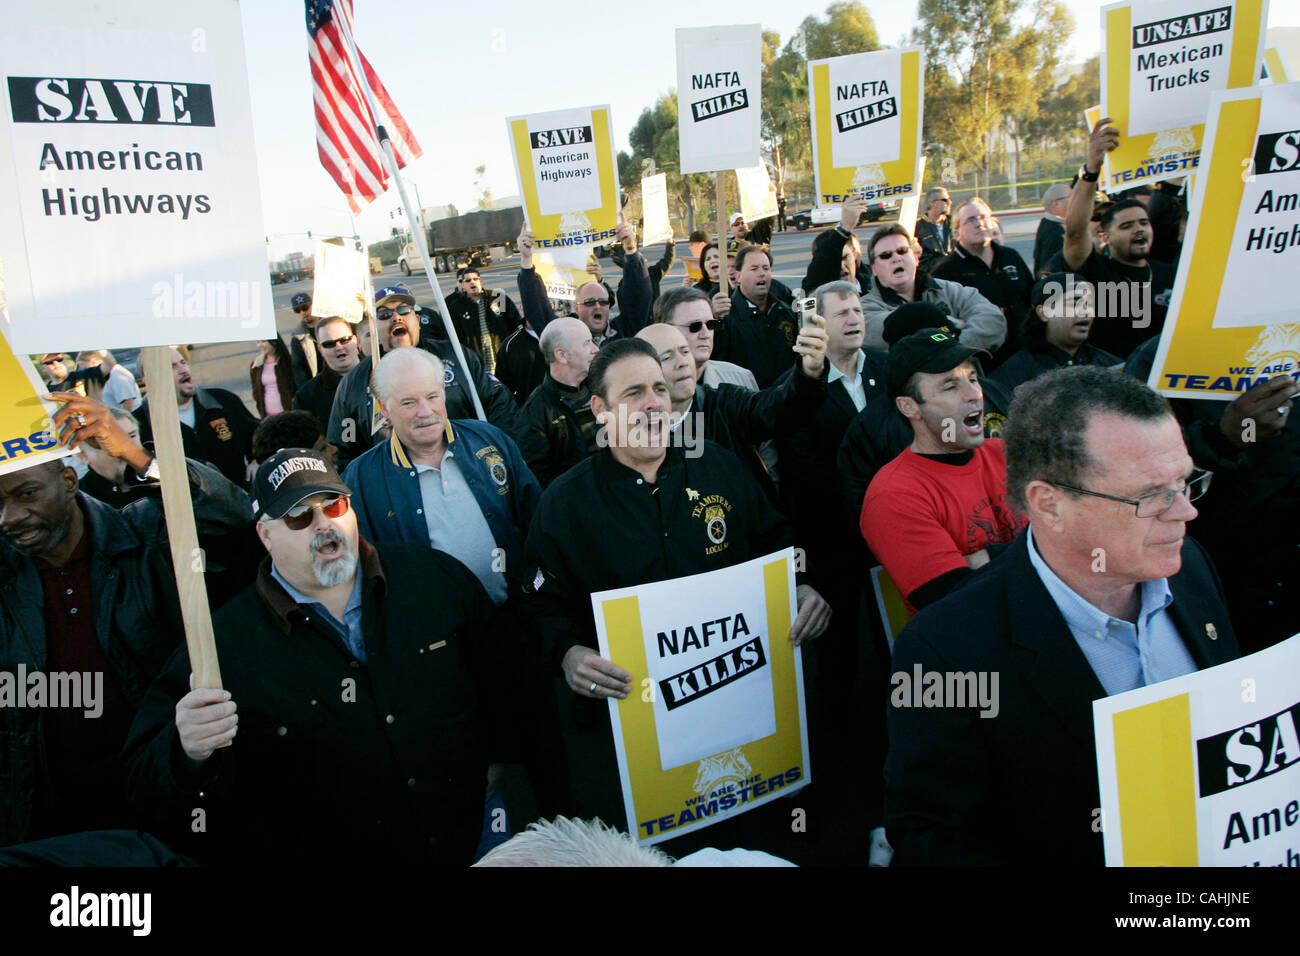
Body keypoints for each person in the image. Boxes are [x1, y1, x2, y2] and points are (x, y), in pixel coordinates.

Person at [885, 366, 1239, 866]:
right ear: (1049, 505)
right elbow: (931, 839)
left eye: (1185, 482)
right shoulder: (947, 648)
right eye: (1151, 496)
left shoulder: (1190, 568)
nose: (1185, 511)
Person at [122, 447, 504, 865]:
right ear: (265, 535)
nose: (324, 524)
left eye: (333, 505)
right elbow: (143, 783)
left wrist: (503, 755)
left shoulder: (431, 578)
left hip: (472, 839)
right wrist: (185, 751)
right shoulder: (224, 646)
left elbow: (507, 675)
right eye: (300, 517)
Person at [523, 338, 830, 856]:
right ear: (599, 410)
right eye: (634, 392)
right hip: (636, 748)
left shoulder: (720, 466)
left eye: (660, 389)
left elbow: (777, 540)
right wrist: (567, 654)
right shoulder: (566, 503)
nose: (652, 403)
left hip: (742, 726)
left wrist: (802, 584)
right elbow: (538, 604)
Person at [0, 394, 250, 847]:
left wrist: (138, 458)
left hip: (159, 794)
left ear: (70, 480)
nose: (10, 517)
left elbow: (238, 519)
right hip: (47, 817)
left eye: (26, 493)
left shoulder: (145, 537)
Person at [340, 349, 565, 816]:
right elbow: (364, 574)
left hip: (518, 628)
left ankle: (559, 825)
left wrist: (541, 598)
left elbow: (537, 523)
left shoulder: (490, 441)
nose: (425, 412)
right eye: (407, 403)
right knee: (478, 768)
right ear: (382, 410)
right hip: (444, 651)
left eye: (432, 396)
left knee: (547, 746)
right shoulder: (362, 478)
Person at [860, 329, 1027, 613]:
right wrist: (1042, 548)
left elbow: (1080, 539)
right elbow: (953, 602)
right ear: (909, 406)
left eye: (973, 379)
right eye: (950, 386)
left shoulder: (1010, 454)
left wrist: (980, 559)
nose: (974, 394)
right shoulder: (893, 495)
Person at [636, 308, 827, 497]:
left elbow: (777, 409)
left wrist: (809, 372)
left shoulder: (725, 404)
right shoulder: (630, 432)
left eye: (685, 351)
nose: (683, 362)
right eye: (667, 357)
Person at [327, 286, 519, 467]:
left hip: (468, 466)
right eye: (384, 314)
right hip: (396, 486)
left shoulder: (456, 356)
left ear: (417, 321)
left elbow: (499, 404)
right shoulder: (354, 383)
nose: (396, 317)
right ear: (374, 329)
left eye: (404, 310)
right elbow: (343, 446)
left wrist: (499, 453)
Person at [1060, 118, 1177, 358]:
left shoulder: (1171, 273)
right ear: (1106, 236)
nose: (1139, 229)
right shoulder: (1096, 272)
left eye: (1144, 223)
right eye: (1126, 226)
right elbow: (1075, 232)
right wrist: (1091, 169)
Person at [858, 223, 1005, 354]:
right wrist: (950, 325)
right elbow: (893, 327)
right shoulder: (864, 309)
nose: (896, 258)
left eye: (902, 250)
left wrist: (955, 347)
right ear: (874, 268)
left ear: (915, 258)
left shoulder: (949, 290)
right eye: (886, 255)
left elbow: (993, 320)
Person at [134, 347, 259, 490]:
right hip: (187, 511)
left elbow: (259, 434)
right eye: (172, 366)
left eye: (183, 362)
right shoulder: (138, 425)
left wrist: (258, 460)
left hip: (239, 503)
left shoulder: (223, 401)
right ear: (149, 379)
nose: (183, 370)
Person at [932, 197, 1032, 369]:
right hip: (983, 365)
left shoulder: (1010, 256)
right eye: (970, 220)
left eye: (983, 217)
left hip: (1025, 357)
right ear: (956, 232)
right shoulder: (945, 271)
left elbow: (1031, 298)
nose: (979, 223)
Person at [514, 223, 653, 345]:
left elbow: (639, 296)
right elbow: (537, 310)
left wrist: (630, 249)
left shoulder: (624, 332)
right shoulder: (564, 337)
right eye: (590, 302)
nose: (598, 306)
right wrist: (526, 260)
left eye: (603, 302)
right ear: (576, 308)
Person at [993, 275, 1120, 392]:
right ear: (1044, 312)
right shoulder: (1013, 377)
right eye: (1075, 303)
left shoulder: (1113, 367)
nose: (1086, 311)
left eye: (1090, 304)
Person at [514, 318, 601, 487]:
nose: (596, 349)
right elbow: (539, 481)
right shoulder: (535, 414)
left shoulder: (604, 388)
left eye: (593, 341)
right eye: (586, 343)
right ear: (561, 355)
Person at [711, 246, 802, 388]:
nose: (762, 274)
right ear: (738, 275)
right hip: (749, 401)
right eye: (754, 269)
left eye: (766, 268)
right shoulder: (726, 318)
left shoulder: (786, 312)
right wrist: (715, 321)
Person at [443, 266, 525, 377]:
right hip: (477, 361)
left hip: (503, 355)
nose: (472, 282)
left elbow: (515, 322)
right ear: (462, 285)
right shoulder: (456, 307)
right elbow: (454, 336)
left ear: (480, 281)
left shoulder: (498, 297)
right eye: (468, 280)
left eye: (475, 279)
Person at [293, 316, 362, 429]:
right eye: (329, 344)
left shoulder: (381, 375)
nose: (339, 347)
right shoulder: (306, 397)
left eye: (344, 340)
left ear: (356, 340)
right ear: (320, 349)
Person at [249, 334, 295, 418]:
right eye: (258, 342)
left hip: (288, 413)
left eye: (263, 341)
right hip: (267, 415)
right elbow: (256, 391)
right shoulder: (256, 364)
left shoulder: (287, 361)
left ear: (274, 342)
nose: (260, 345)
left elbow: (295, 386)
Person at [913, 187, 954, 274]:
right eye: (945, 200)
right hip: (935, 277)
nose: (949, 203)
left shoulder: (955, 222)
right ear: (933, 204)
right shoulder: (917, 229)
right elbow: (920, 261)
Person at [1033, 182, 1071, 275]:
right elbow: (1048, 270)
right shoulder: (1055, 232)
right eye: (1071, 196)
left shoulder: (1049, 224)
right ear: (1057, 204)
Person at [287, 292, 321, 390]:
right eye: (297, 310)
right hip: (319, 388)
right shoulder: (298, 339)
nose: (302, 313)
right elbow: (299, 370)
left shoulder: (332, 326)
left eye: (305, 307)